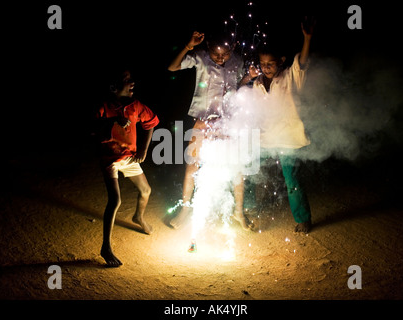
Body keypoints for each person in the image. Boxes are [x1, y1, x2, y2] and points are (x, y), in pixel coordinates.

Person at [167, 31, 253, 230]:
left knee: (237, 167)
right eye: (216, 54)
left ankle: (238, 212)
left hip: (227, 122)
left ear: (233, 48)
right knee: (192, 165)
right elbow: (172, 67)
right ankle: (185, 209)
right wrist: (189, 46)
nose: (221, 58)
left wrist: (248, 76)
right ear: (208, 49)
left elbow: (238, 86)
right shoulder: (200, 58)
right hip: (203, 122)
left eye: (225, 54)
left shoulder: (237, 61)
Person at [242, 18, 315, 233]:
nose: (266, 68)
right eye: (263, 64)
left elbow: (301, 62)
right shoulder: (256, 84)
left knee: (291, 180)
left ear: (281, 61)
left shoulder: (290, 77)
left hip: (288, 138)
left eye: (270, 64)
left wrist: (307, 38)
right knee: (247, 167)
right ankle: (247, 208)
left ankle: (303, 219)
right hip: (266, 138)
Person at [95, 68, 159, 267]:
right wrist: (113, 121)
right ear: (114, 87)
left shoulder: (135, 106)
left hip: (129, 157)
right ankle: (106, 247)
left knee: (146, 190)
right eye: (127, 80)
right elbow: (91, 129)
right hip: (110, 159)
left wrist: (144, 150)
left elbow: (151, 123)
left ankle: (138, 216)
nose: (133, 83)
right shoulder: (104, 107)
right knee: (115, 199)